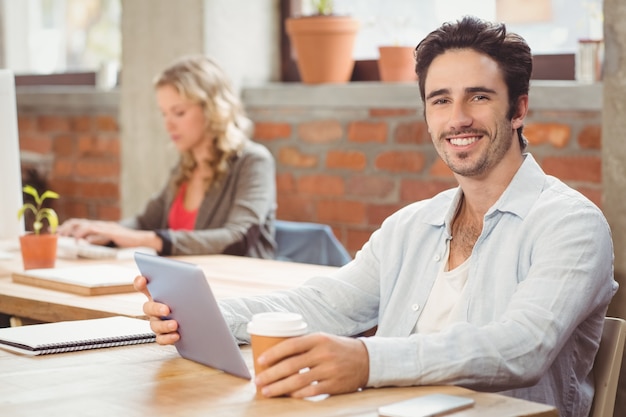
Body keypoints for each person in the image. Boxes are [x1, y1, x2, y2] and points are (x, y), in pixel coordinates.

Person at [135, 16, 617, 417]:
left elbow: (521, 346)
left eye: (479, 96)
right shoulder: (411, 226)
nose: (458, 118)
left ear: (518, 109)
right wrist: (204, 314)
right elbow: (326, 304)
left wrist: (365, 361)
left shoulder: (571, 224)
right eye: (440, 100)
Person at [58, 55, 277, 258]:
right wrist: (103, 231)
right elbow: (145, 222)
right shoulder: (187, 166)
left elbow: (238, 238)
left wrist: (148, 240)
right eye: (164, 113)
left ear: (212, 109)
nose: (168, 124)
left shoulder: (254, 162)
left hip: (239, 289)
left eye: (179, 112)